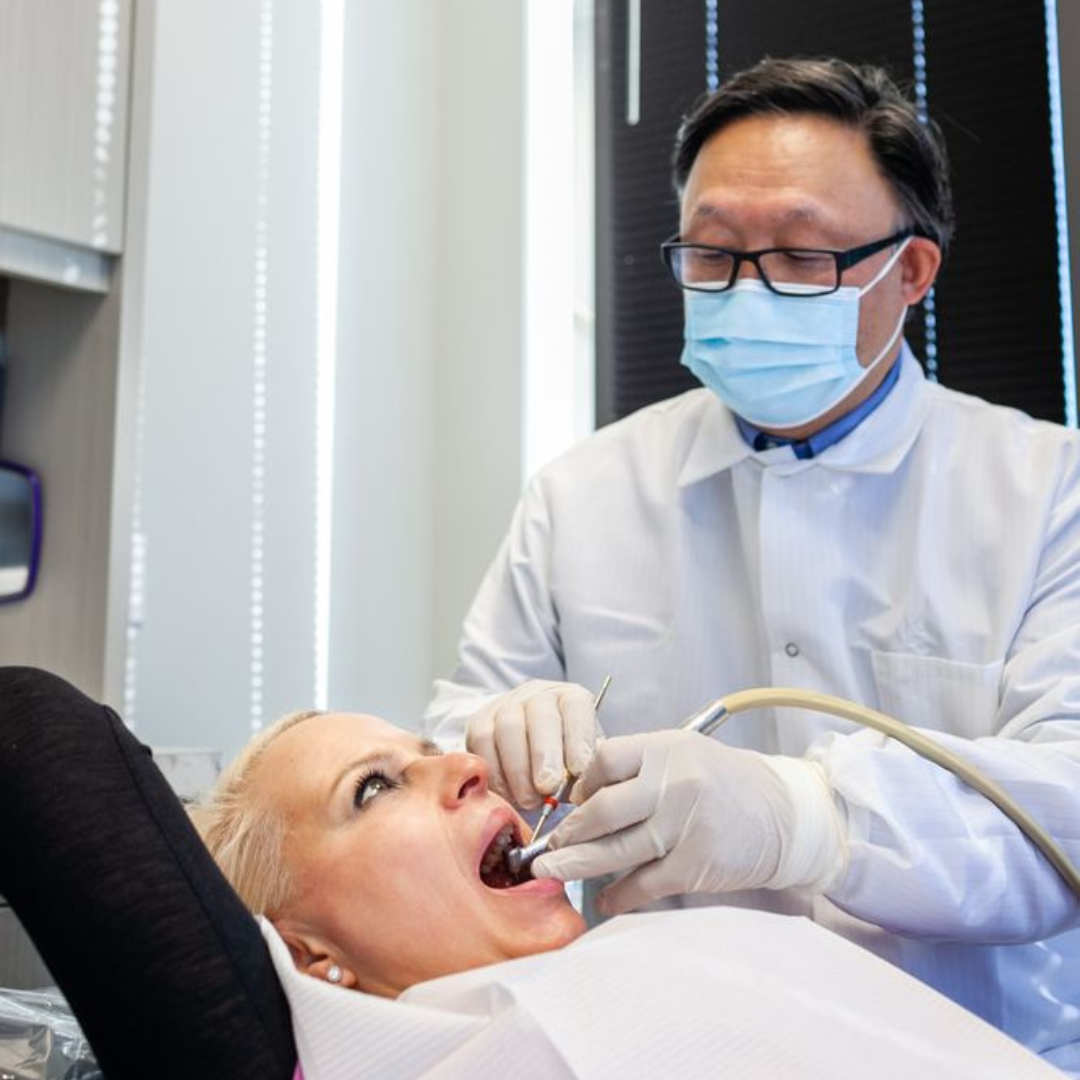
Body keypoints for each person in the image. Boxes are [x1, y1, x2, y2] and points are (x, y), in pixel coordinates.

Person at [424, 56, 1080, 1073]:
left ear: (910, 272)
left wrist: (808, 820)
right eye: (714, 253)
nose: (746, 290)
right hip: (661, 1046)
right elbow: (454, 766)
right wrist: (493, 742)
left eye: (802, 257)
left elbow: (1068, 813)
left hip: (977, 1049)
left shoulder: (1048, 493)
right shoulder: (584, 494)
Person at [0, 666, 1062, 1080]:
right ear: (310, 956)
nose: (467, 763)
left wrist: (804, 820)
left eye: (436, 753)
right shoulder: (539, 1044)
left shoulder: (589, 994)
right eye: (376, 788)